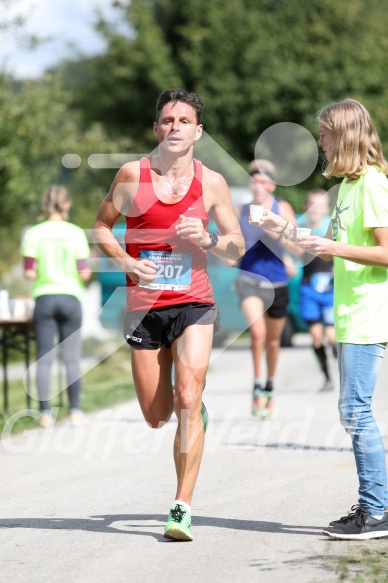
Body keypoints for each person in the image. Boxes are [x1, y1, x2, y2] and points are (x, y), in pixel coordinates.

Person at [92, 88, 245, 542]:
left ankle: (181, 507)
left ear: (199, 130)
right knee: (157, 415)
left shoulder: (211, 182)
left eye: (184, 120)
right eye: (167, 120)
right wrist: (126, 262)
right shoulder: (130, 175)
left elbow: (236, 248)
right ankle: (188, 412)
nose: (175, 126)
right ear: (156, 128)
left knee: (188, 397)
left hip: (194, 301)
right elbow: (101, 226)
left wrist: (209, 237)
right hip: (143, 307)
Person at [256, 98, 388, 540]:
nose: (321, 142)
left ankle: (377, 511)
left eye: (326, 134)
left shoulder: (371, 184)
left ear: (346, 136)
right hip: (349, 315)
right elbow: (322, 245)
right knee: (353, 411)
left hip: (369, 315)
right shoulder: (348, 189)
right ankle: (373, 507)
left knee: (356, 410)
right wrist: (281, 228)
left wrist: (334, 249)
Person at [236, 159, 301, 419]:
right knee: (258, 334)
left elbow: (298, 245)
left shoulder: (281, 207)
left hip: (277, 283)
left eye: (264, 181)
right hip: (249, 280)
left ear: (272, 185)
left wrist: (275, 232)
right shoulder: (241, 210)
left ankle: (270, 385)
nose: (259, 185)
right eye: (254, 180)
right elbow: (235, 245)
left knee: (273, 342)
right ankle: (256, 386)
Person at [22, 184, 91, 427]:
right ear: (68, 205)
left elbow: (29, 272)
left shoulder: (34, 233)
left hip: (45, 297)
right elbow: (84, 273)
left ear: (44, 204)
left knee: (44, 358)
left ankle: (45, 414)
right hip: (71, 297)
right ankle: (74, 410)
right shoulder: (75, 233)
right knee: (71, 358)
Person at [298, 189, 337, 392]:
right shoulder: (301, 229)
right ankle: (327, 377)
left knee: (331, 336)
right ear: (307, 207)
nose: (315, 209)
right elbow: (293, 252)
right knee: (315, 337)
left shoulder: (331, 227)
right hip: (309, 289)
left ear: (326, 209)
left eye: (319, 205)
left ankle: (341, 364)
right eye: (312, 204)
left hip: (330, 289)